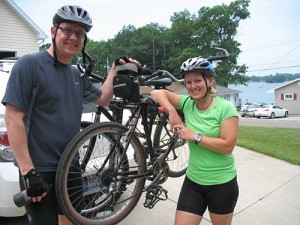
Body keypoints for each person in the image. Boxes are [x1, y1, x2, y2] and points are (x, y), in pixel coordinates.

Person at [1, 5, 139, 225]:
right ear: (54, 31)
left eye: (80, 33)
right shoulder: (29, 65)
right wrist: (28, 172)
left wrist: (114, 69)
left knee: (71, 222)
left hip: (70, 167)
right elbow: (13, 118)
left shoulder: (75, 74)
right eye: (68, 30)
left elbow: (103, 98)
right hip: (39, 170)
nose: (74, 37)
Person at [150, 56, 239, 225]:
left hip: (222, 183)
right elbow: (156, 92)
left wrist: (194, 136)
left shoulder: (225, 108)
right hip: (193, 182)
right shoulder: (187, 103)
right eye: (188, 82)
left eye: (197, 80)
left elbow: (227, 146)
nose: (192, 86)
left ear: (209, 81)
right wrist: (172, 111)